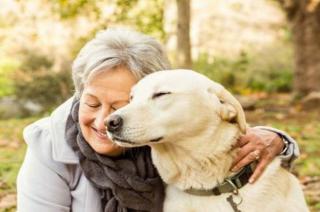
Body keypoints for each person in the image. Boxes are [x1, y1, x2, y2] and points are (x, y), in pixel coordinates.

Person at [17, 28, 299, 212]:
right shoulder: (49, 144)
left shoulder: (159, 137)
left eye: (123, 104)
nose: (107, 120)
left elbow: (210, 127)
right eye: (91, 103)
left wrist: (279, 140)